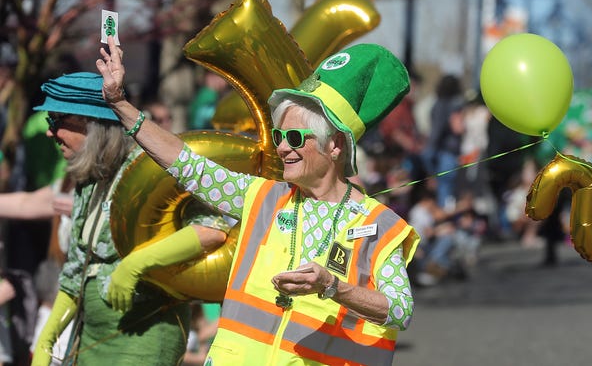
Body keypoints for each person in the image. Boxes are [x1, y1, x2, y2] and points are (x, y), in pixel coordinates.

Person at [97, 36, 420, 365]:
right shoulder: (262, 197)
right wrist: (121, 104)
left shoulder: (379, 225)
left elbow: (399, 310)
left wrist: (333, 286)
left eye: (294, 137)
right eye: (279, 136)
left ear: (335, 144)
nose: (281, 148)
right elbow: (188, 165)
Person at [30, 72, 230, 366]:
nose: (50, 133)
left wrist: (138, 263)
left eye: (56, 121)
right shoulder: (88, 180)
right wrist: (48, 337)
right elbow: (75, 272)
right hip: (89, 340)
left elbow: (212, 230)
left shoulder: (149, 170)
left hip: (144, 339)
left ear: (91, 125)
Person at [422, 74, 465, 209]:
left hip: (444, 154)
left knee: (444, 191)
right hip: (450, 153)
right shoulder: (455, 105)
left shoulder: (439, 105)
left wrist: (428, 156)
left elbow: (435, 132)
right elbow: (456, 129)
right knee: (450, 192)